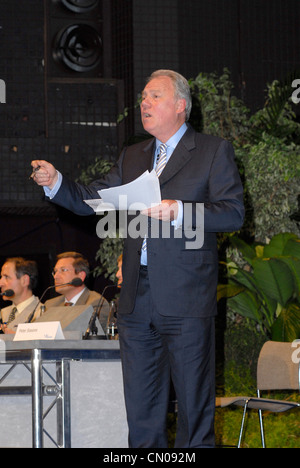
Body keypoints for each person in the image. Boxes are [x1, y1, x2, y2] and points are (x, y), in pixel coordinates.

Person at [31, 69, 244, 448]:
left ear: (180, 105)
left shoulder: (212, 150)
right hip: (135, 300)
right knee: (142, 412)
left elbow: (232, 213)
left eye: (154, 97)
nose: (144, 103)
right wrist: (56, 182)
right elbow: (93, 197)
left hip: (186, 297)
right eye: (143, 97)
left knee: (195, 412)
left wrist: (180, 210)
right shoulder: (133, 155)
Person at [0, 257, 41, 334]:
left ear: (24, 280)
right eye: (1, 277)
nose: (0, 283)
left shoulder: (42, 312)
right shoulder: (2, 313)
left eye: (6, 277)